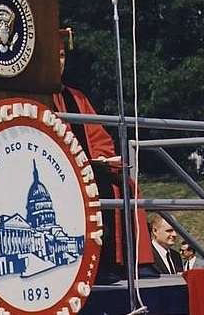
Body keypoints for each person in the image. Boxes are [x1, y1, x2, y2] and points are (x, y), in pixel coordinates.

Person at [51, 28, 155, 281]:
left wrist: (102, 159)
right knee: (92, 188)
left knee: (125, 186)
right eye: (55, 56)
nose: (60, 62)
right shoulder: (34, 96)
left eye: (63, 55)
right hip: (57, 171)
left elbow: (100, 138)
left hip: (88, 167)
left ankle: (133, 262)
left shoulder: (76, 97)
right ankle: (98, 264)